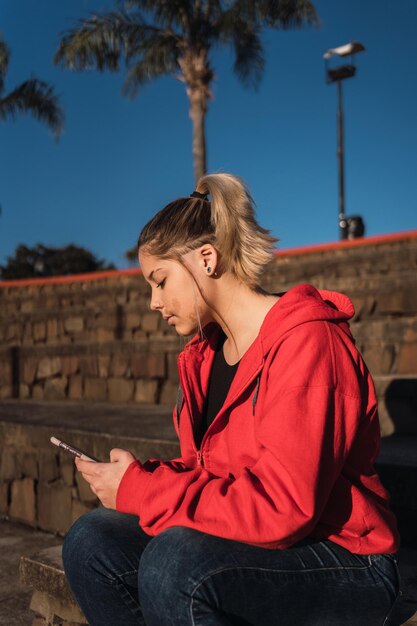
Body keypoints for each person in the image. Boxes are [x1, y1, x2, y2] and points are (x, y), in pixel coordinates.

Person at [63, 173, 401, 626]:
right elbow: (215, 476)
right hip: (259, 537)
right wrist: (138, 479)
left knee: (175, 564)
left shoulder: (308, 343)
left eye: (160, 281)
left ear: (207, 259)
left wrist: (144, 493)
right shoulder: (206, 355)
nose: (153, 302)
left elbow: (284, 507)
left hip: (344, 557)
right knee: (91, 541)